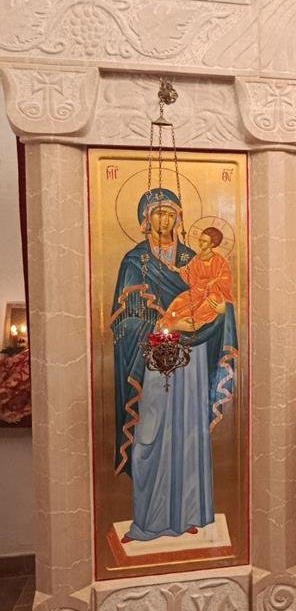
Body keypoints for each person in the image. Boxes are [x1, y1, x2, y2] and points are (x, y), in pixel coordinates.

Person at [110, 189, 238, 543]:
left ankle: (188, 515)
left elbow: (219, 301)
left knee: (188, 431)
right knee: (150, 431)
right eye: (157, 213)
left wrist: (212, 316)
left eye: (170, 213)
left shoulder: (193, 259)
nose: (164, 220)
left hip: (191, 361)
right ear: (145, 219)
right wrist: (164, 325)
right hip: (153, 359)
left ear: (179, 219)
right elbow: (123, 321)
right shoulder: (134, 261)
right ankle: (148, 522)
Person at [162, 226, 234, 334]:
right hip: (197, 290)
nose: (200, 243)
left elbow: (226, 277)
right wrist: (177, 269)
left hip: (212, 291)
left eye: (204, 241)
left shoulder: (218, 259)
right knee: (179, 301)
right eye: (200, 240)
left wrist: (214, 282)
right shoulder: (197, 258)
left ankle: (191, 322)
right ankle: (167, 323)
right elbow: (189, 271)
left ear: (212, 244)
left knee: (207, 304)